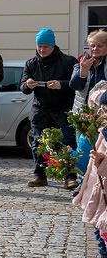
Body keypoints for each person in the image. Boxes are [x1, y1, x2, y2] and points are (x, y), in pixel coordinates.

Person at [22, 28, 79, 188]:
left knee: (68, 144)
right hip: (40, 111)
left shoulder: (68, 61)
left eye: (45, 46)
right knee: (38, 145)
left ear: (53, 45)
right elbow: (23, 87)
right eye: (39, 46)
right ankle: (40, 176)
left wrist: (61, 84)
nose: (41, 50)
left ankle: (70, 177)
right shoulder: (31, 63)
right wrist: (28, 85)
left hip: (63, 110)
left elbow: (77, 84)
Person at [71, 29, 107, 105]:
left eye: (100, 46)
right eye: (92, 46)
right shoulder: (80, 63)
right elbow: (75, 86)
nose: (95, 48)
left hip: (103, 108)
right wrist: (83, 72)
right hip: (83, 108)